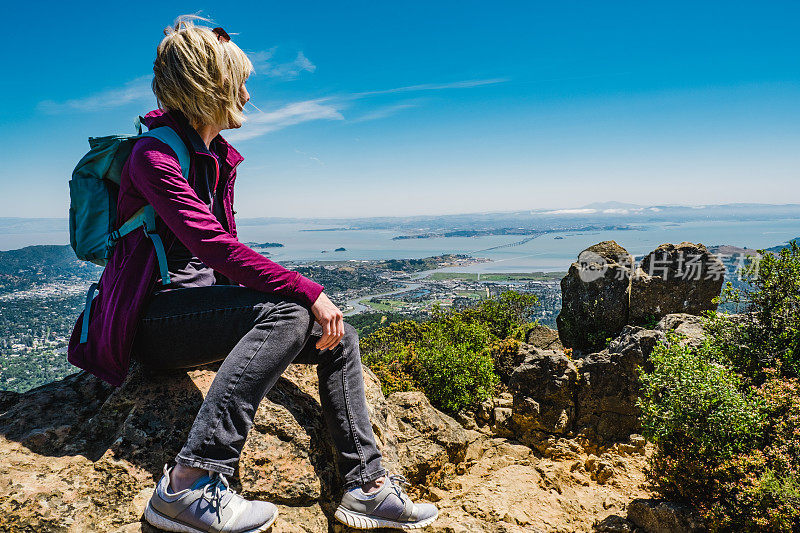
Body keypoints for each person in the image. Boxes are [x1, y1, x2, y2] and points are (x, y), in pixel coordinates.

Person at [67, 16, 438, 533]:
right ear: (208, 84)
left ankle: (366, 487)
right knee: (291, 310)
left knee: (339, 335)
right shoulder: (155, 155)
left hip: (195, 316)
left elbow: (222, 258)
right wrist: (308, 291)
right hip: (149, 322)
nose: (247, 91)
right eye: (239, 80)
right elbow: (214, 247)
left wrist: (307, 309)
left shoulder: (212, 157)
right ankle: (189, 482)